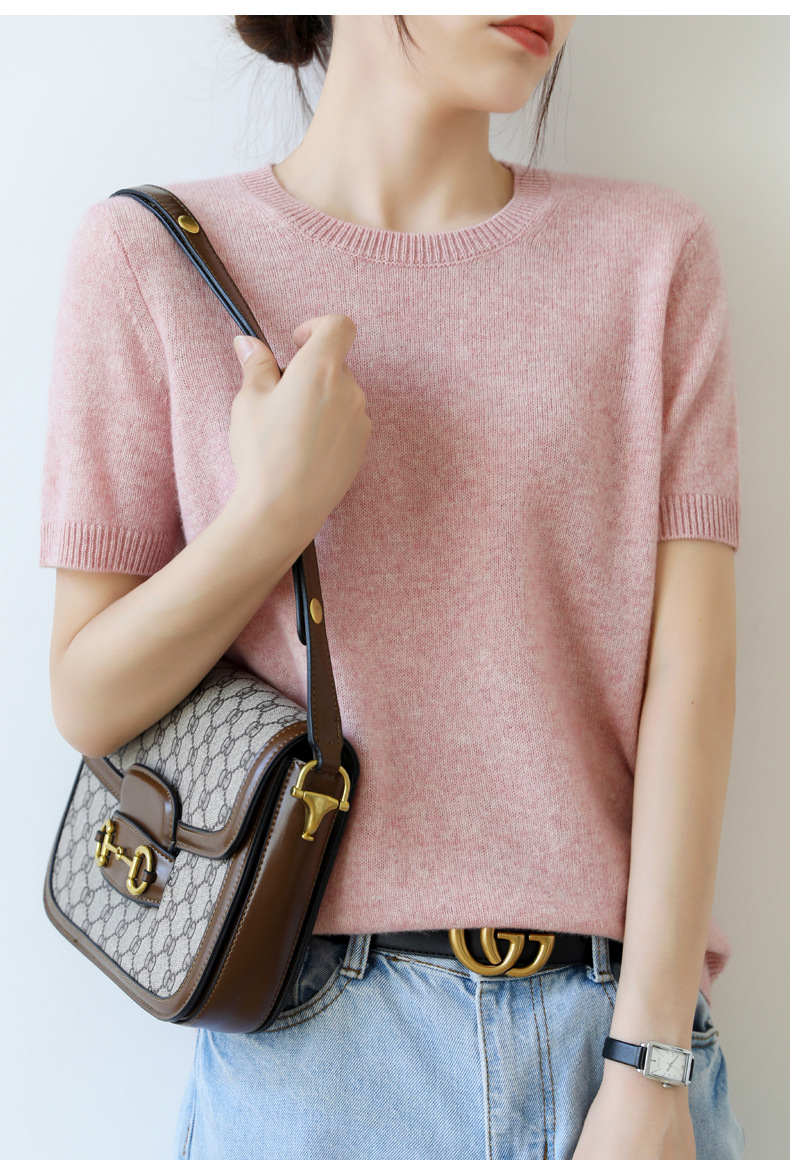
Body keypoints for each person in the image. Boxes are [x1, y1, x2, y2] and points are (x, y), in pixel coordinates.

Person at [39, 14, 746, 1160]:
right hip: (311, 1060)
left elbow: (693, 680)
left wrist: (649, 1063)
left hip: (617, 1042)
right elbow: (86, 696)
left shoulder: (652, 255)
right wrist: (269, 517)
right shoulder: (150, 256)